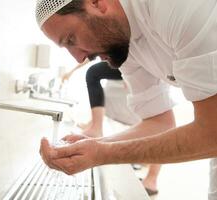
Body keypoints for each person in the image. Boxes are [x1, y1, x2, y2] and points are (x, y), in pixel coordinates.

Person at [36, 1, 217, 200]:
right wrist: (96, 144)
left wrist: (104, 153)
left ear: (97, 3)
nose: (79, 59)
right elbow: (159, 123)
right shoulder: (121, 40)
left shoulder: (175, 6)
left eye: (71, 39)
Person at [62, 60, 161, 195]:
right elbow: (90, 56)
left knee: (158, 124)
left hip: (146, 68)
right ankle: (95, 125)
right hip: (131, 71)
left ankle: (152, 178)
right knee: (95, 75)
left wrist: (129, 72)